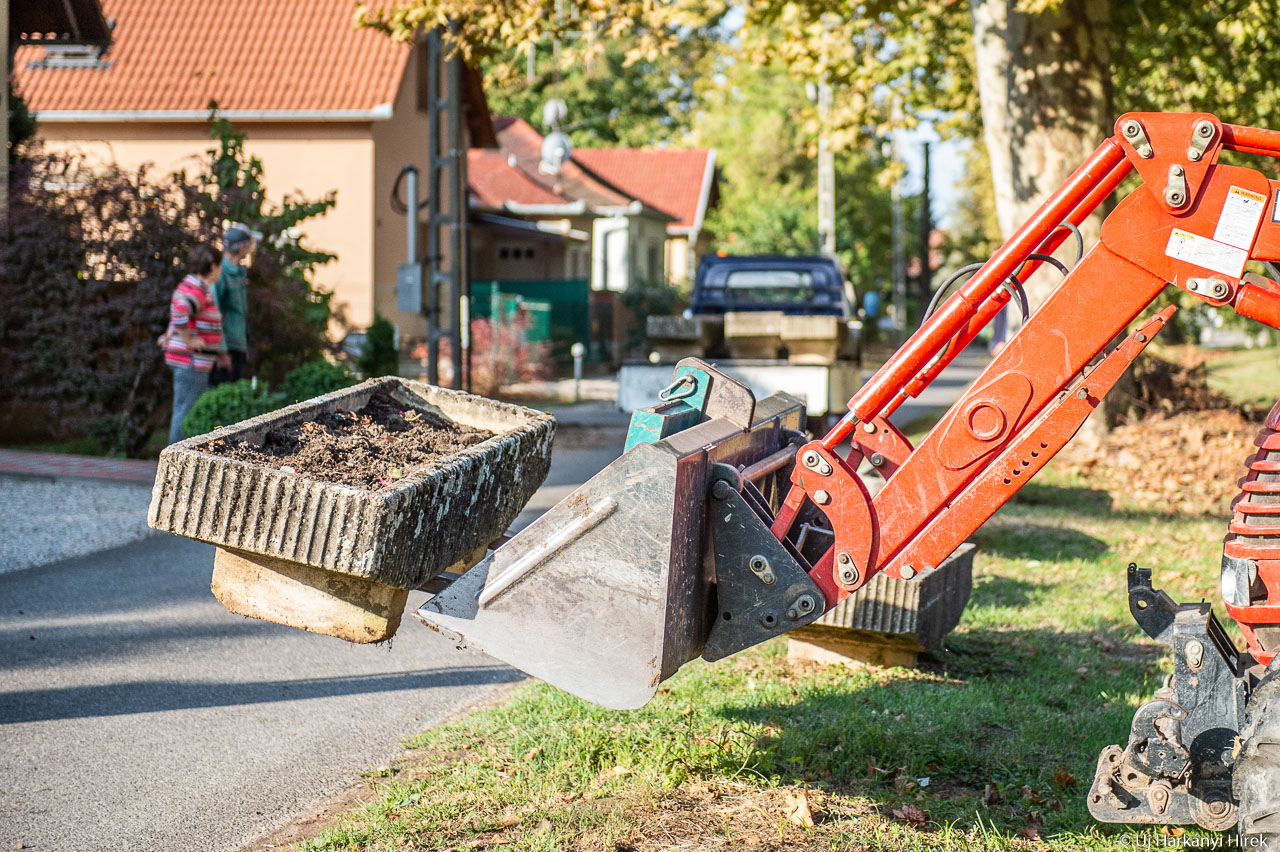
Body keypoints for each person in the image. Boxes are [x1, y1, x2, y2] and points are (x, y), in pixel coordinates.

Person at [164, 245, 226, 444]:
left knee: (182, 409)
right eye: (220, 266)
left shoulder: (189, 285)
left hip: (187, 360)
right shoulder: (198, 289)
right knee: (185, 412)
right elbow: (181, 311)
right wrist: (188, 340)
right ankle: (175, 464)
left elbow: (178, 311)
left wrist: (170, 333)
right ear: (214, 266)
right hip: (191, 360)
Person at [209, 223, 260, 386]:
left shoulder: (238, 272)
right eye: (251, 243)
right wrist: (222, 351)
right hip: (225, 351)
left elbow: (239, 313)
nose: (253, 247)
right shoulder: (221, 273)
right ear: (243, 246)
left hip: (236, 348)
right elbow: (214, 311)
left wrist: (243, 345)